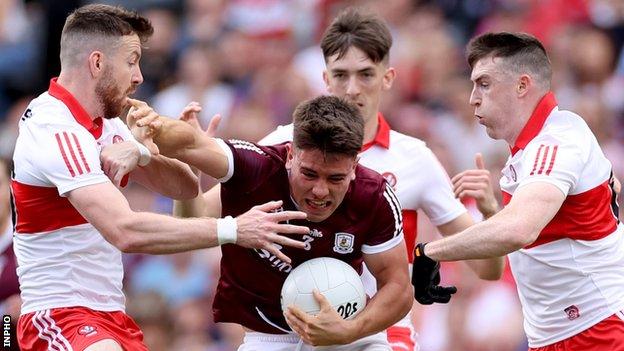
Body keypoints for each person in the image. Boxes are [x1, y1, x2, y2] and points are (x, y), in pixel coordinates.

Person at [174, 8, 505, 351]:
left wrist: (490, 214)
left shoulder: (415, 158)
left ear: (387, 77)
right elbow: (195, 219)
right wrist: (185, 172)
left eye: (365, 74)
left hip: (378, 332)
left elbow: (486, 268)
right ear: (325, 78)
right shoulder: (285, 146)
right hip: (287, 330)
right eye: (341, 75)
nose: (352, 88)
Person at [10, 4, 309, 351]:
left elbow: (184, 189)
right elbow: (124, 230)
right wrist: (235, 230)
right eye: (131, 61)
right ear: (96, 63)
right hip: (59, 316)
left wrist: (153, 150)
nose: (139, 76)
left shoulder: (105, 123)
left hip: (108, 316)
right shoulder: (55, 128)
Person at [135, 95, 413, 350]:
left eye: (335, 179)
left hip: (350, 332)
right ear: (291, 155)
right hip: (269, 336)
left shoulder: (374, 196)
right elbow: (191, 144)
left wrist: (347, 331)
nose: (320, 190)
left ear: (354, 166)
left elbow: (398, 287)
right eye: (309, 174)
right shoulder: (257, 168)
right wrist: (151, 129)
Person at [411, 32, 624, 351]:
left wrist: (429, 253)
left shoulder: (555, 143)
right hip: (558, 334)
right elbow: (518, 242)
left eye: (484, 83)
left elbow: (520, 228)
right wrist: (491, 211)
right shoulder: (531, 150)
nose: (472, 98)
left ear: (522, 85)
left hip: (597, 329)